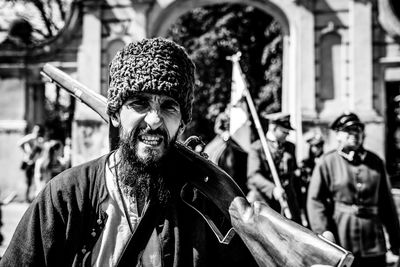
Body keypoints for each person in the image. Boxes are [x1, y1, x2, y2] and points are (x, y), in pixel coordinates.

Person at [1, 38, 256, 266]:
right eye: (139, 103)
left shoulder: (207, 208)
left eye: (169, 106)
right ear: (114, 114)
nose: (154, 120)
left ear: (182, 123)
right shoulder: (66, 197)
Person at [307, 112, 400, 267]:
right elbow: (315, 202)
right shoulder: (327, 162)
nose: (354, 134)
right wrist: (324, 237)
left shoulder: (375, 162)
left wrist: (396, 239)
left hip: (373, 241)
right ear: (338, 135)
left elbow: (386, 204)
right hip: (342, 238)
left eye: (358, 130)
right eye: (348, 131)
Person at [246, 112, 302, 224]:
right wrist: (273, 189)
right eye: (284, 132)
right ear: (273, 128)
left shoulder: (290, 147)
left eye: (288, 132)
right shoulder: (257, 148)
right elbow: (253, 176)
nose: (287, 135)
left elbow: (293, 173)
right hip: (264, 202)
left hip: (288, 202)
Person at [17, 124, 45, 202]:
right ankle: (27, 197)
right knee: (28, 181)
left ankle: (33, 197)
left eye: (39, 131)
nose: (37, 132)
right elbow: (19, 143)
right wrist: (26, 153)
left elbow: (42, 149)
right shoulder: (29, 137)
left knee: (36, 180)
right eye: (36, 130)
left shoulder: (40, 140)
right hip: (28, 162)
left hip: (36, 163)